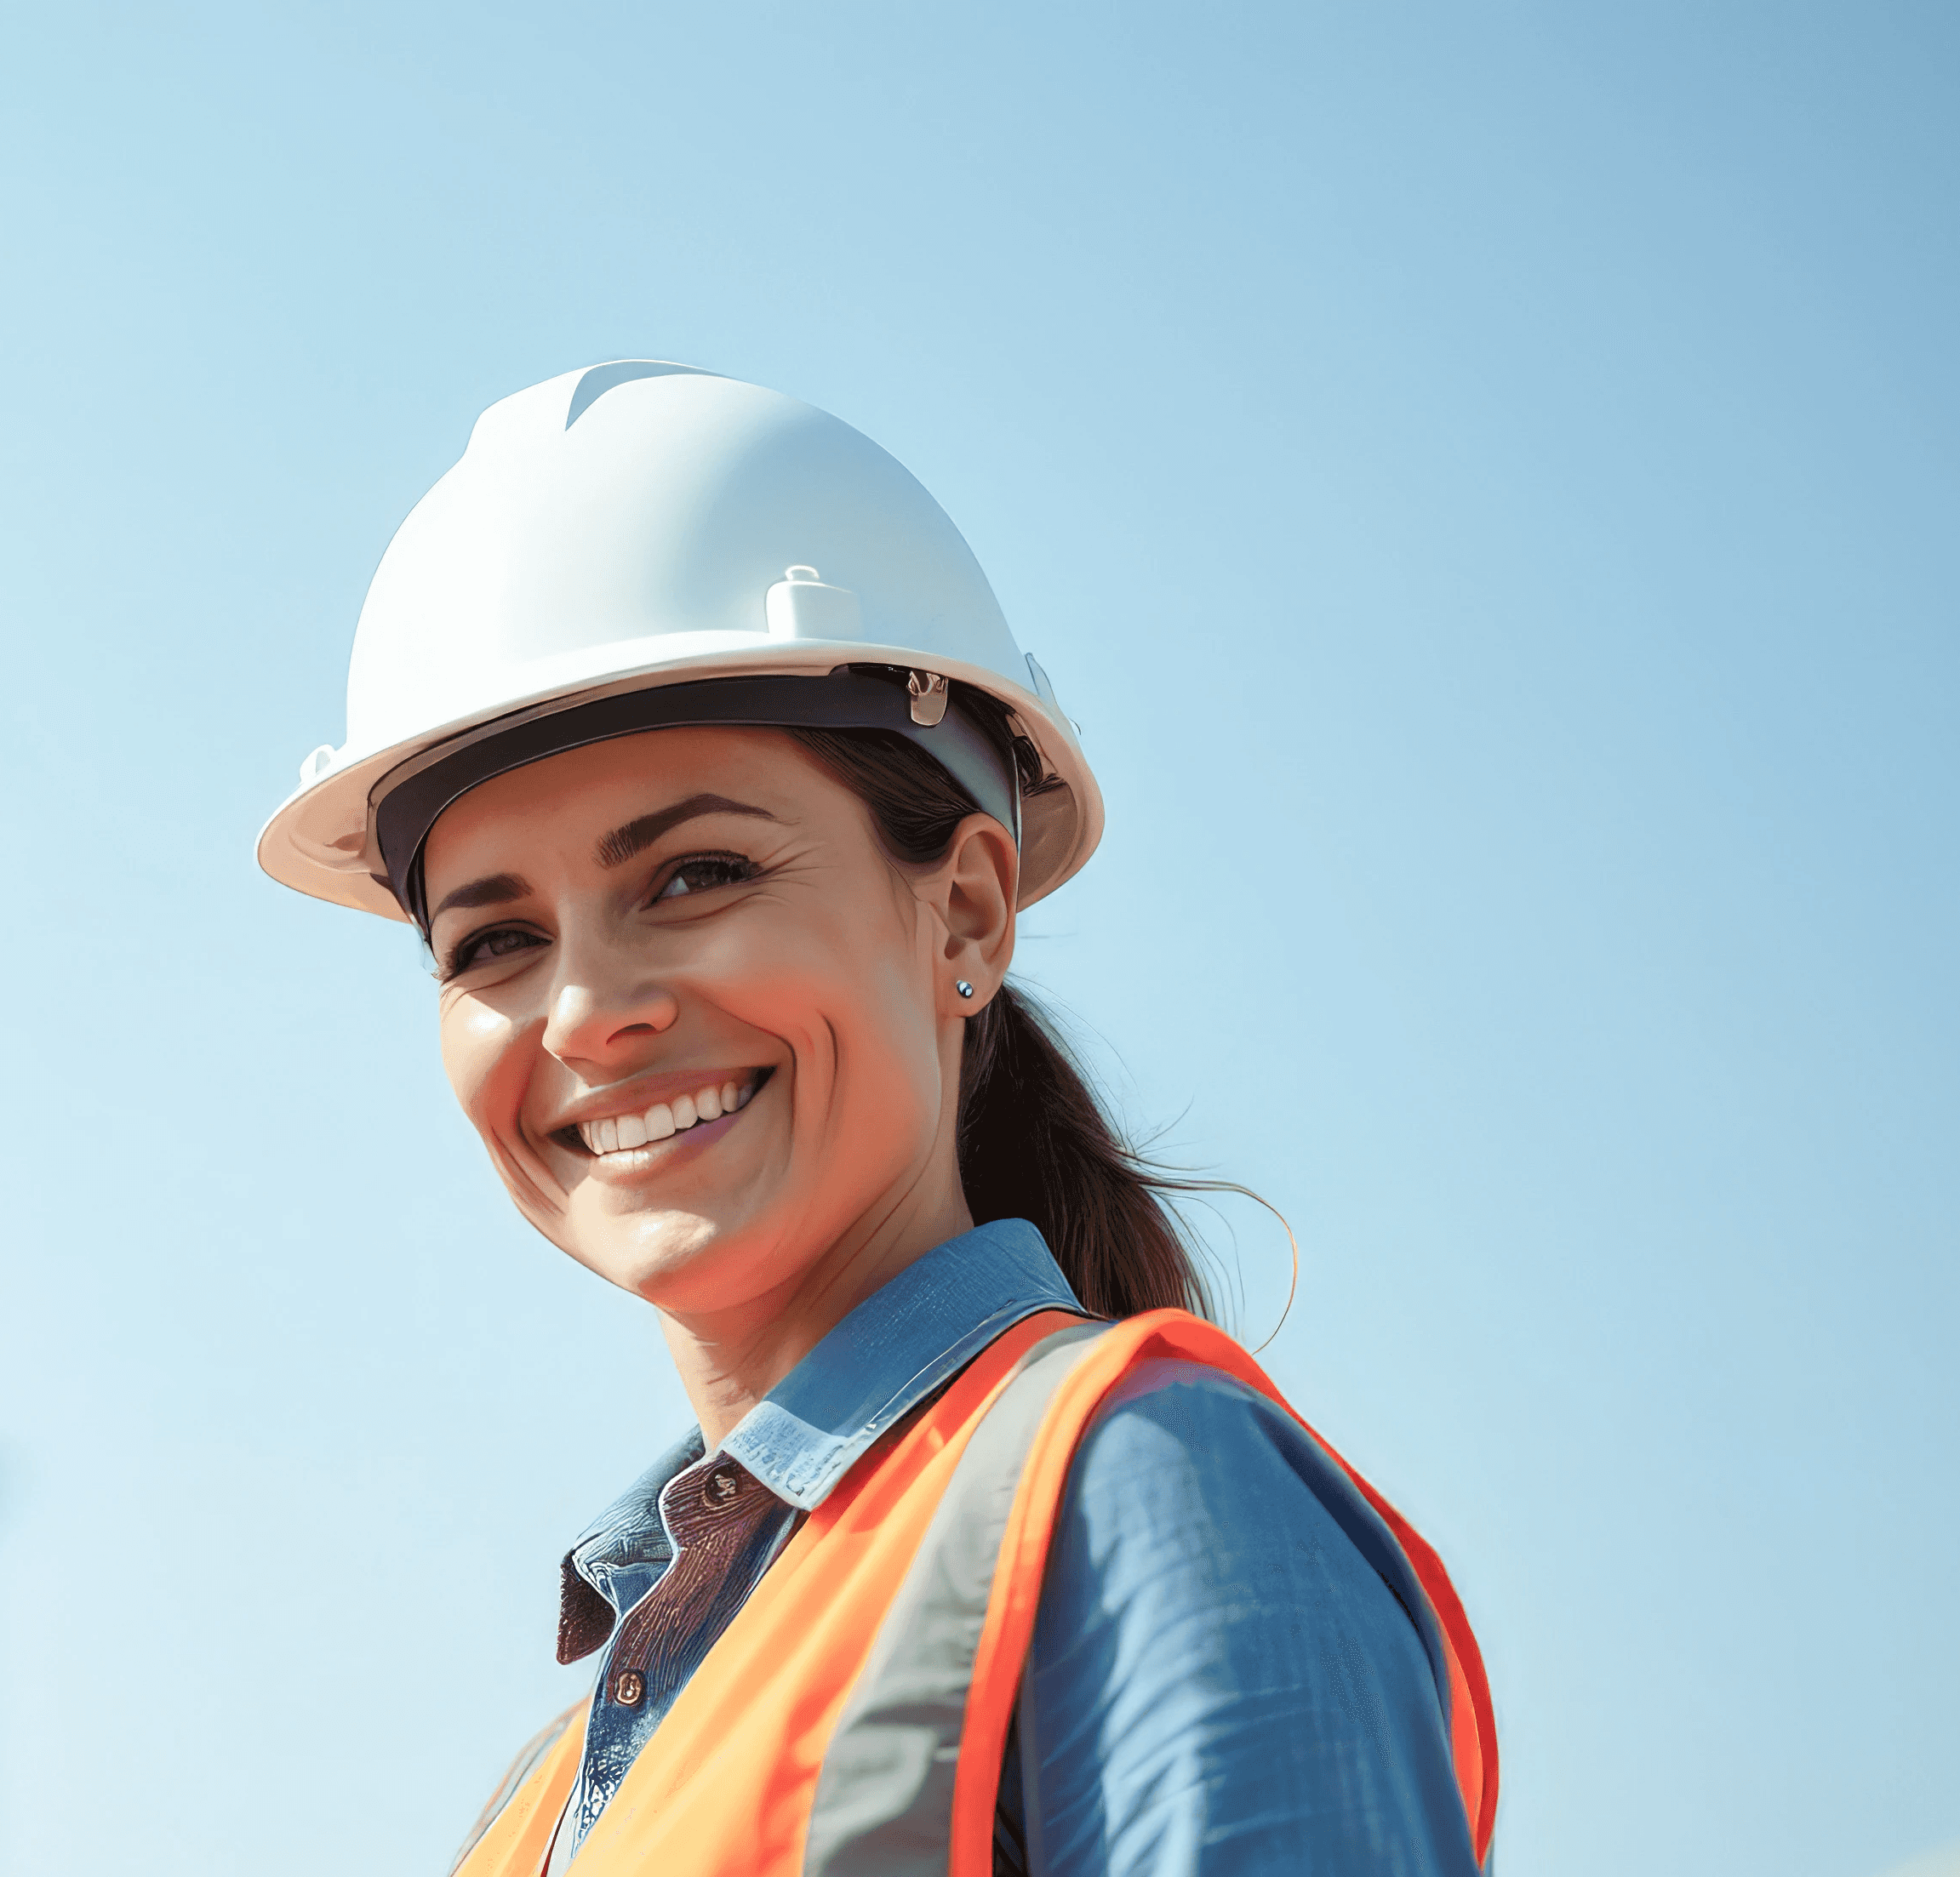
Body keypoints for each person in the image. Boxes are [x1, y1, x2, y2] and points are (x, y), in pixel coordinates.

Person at [254, 364, 1498, 1876]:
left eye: (695, 875)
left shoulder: (1140, 1491)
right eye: (492, 942)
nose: (586, 1011)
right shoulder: (551, 1804)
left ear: (965, 910)